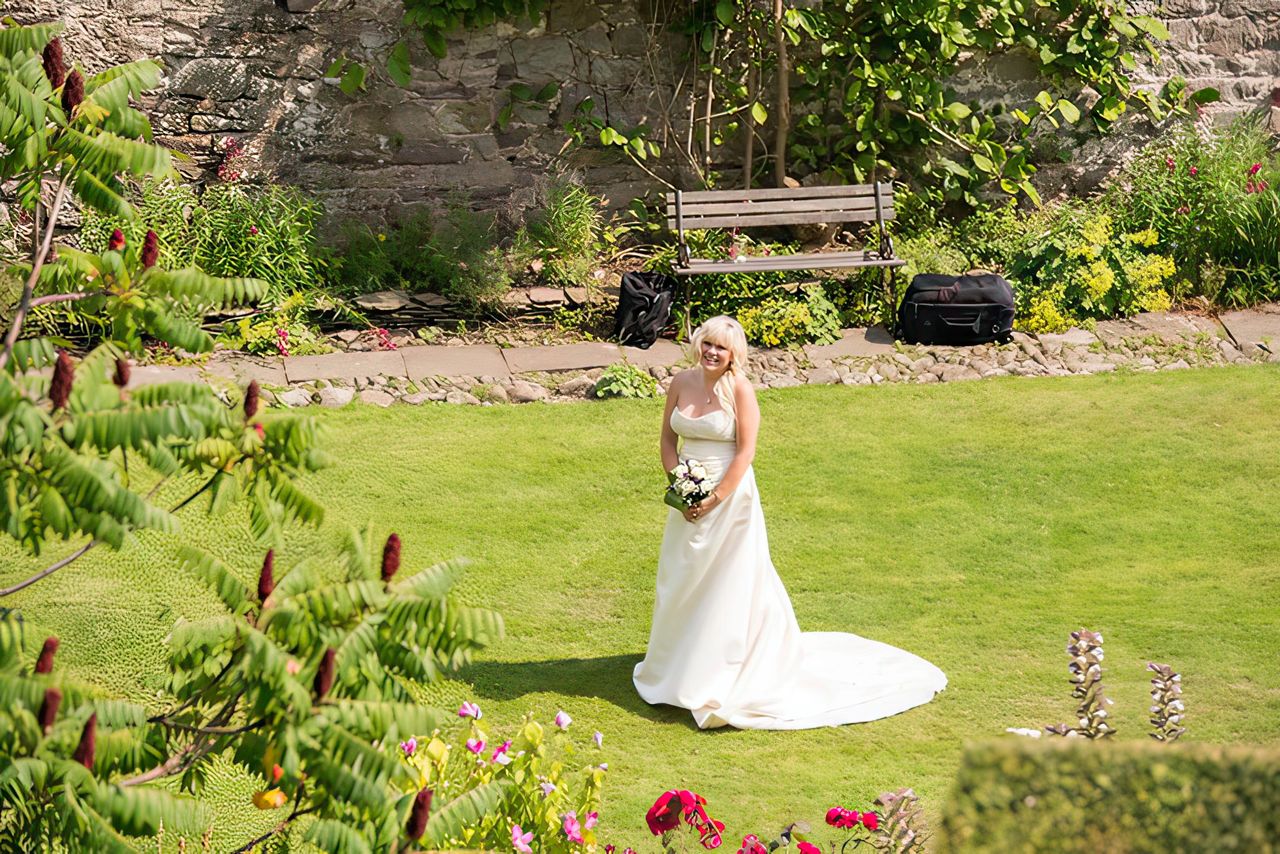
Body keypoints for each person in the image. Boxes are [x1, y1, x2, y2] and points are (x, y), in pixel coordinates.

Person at [632, 315, 947, 729]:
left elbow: (745, 453)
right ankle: (677, 665)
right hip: (687, 498)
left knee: (727, 583)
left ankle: (720, 670)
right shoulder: (680, 383)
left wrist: (714, 497)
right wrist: (681, 484)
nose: (711, 352)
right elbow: (668, 442)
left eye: (721, 348)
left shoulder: (740, 390)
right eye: (707, 344)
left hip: (730, 498)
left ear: (733, 355)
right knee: (683, 578)